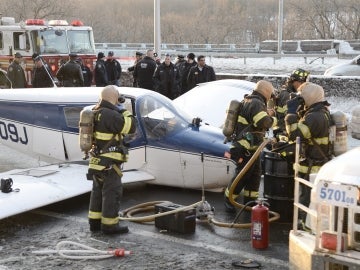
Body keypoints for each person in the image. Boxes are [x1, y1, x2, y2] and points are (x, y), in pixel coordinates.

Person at [87, 85, 136, 234]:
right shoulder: (111, 114)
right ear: (114, 98)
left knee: (97, 191)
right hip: (110, 161)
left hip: (96, 161)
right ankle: (110, 225)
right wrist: (125, 110)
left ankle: (94, 223)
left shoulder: (94, 112)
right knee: (112, 192)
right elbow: (131, 127)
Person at [223, 80, 277, 213]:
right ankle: (228, 199)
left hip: (252, 148)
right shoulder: (257, 103)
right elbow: (263, 122)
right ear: (266, 92)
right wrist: (273, 118)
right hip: (245, 148)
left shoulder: (249, 101)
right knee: (243, 175)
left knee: (255, 175)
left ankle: (249, 203)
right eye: (270, 93)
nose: (271, 97)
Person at [285, 82, 332, 224]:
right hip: (318, 164)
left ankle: (305, 228)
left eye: (302, 97)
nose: (301, 101)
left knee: (306, 201)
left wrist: (291, 113)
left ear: (310, 97)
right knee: (311, 200)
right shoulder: (321, 112)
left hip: (311, 168)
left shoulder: (314, 117)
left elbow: (294, 134)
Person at [272, 68, 310, 137]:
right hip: (284, 132)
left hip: (283, 130)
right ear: (293, 81)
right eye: (301, 83)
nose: (302, 85)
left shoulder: (286, 92)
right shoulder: (286, 95)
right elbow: (290, 115)